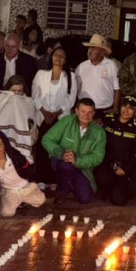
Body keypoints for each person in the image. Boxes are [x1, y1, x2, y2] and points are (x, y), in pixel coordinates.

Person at [41, 97, 107, 204]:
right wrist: (61, 153)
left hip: (82, 168)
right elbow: (47, 139)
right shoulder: (67, 121)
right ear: (76, 111)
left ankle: (72, 184)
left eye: (90, 112)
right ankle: (63, 190)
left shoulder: (99, 132)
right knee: (66, 165)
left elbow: (98, 157)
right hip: (62, 161)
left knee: (85, 198)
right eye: (83, 111)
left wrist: (77, 160)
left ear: (94, 113)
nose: (86, 115)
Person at [32, 46, 78, 184]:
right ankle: (41, 178)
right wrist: (45, 113)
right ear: (51, 57)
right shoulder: (41, 74)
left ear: (65, 60)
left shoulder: (71, 76)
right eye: (55, 55)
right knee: (41, 148)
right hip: (43, 117)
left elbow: (71, 99)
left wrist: (56, 114)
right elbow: (35, 95)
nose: (58, 58)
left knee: (57, 150)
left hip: (60, 119)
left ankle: (54, 180)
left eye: (61, 56)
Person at [0, 130, 46, 217]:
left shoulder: (14, 156)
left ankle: (22, 201)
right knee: (6, 213)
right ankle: (7, 203)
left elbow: (28, 169)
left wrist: (31, 181)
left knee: (41, 200)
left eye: (0, 144)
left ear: (5, 145)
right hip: (9, 190)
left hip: (25, 187)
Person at [94, 96, 136, 205]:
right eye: (124, 106)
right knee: (103, 178)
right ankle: (107, 188)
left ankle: (119, 189)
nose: (126, 110)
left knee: (119, 200)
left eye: (131, 108)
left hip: (124, 167)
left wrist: (126, 169)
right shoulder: (108, 119)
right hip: (107, 162)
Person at [0, 75, 38, 165]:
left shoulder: (28, 101)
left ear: (24, 90)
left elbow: (33, 120)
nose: (16, 94)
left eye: (19, 91)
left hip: (19, 135)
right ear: (8, 90)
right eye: (13, 91)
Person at [76, 34, 120, 114]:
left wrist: (115, 108)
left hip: (105, 110)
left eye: (93, 48)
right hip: (85, 111)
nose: (90, 51)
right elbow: (75, 89)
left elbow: (117, 88)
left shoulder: (111, 65)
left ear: (102, 52)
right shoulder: (81, 67)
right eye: (89, 48)